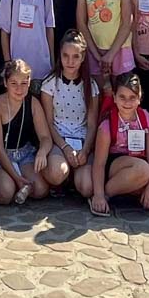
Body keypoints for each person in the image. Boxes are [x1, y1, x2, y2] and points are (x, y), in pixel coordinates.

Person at [87, 71, 149, 215]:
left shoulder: (148, 120)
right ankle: (106, 194)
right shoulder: (107, 125)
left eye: (132, 98)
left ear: (139, 98)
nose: (127, 103)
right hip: (117, 164)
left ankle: (128, 190)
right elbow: (99, 163)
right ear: (115, 98)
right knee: (143, 169)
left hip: (141, 164)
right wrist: (99, 194)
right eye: (122, 97)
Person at [38, 32, 100, 199]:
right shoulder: (49, 84)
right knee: (57, 173)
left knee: (87, 187)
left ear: (82, 57)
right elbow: (49, 123)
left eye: (75, 56)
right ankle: (63, 178)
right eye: (66, 56)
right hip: (59, 141)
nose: (70, 62)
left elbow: (92, 124)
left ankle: (74, 178)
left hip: (82, 141)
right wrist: (65, 148)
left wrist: (86, 150)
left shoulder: (91, 86)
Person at [0, 58, 50, 205]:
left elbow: (45, 137)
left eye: (24, 83)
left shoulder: (33, 103)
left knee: (40, 189)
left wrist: (42, 151)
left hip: (23, 153)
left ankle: (18, 183)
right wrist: (16, 177)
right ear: (6, 83)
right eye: (14, 84)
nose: (19, 89)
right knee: (5, 193)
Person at [79, 0, 133, 96]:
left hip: (119, 49)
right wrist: (97, 55)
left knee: (122, 95)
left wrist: (110, 54)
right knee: (99, 96)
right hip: (95, 49)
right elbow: (81, 23)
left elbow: (127, 21)